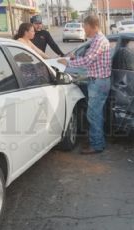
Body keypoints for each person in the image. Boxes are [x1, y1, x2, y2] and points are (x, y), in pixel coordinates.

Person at [57, 15, 111, 155]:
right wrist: (76, 59)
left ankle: (97, 145)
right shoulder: (97, 40)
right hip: (99, 81)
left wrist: (68, 63)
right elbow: (91, 60)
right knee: (97, 113)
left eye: (85, 27)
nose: (84, 30)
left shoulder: (98, 41)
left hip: (98, 82)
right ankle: (98, 141)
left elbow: (88, 61)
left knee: (94, 115)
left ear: (92, 26)